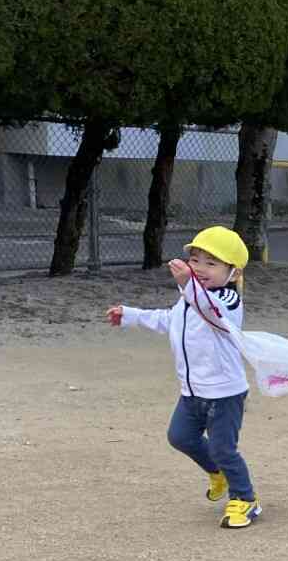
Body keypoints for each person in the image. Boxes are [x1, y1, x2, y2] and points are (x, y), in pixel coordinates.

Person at [106, 226, 263, 529]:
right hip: (192, 391)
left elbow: (211, 312)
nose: (200, 268)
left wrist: (189, 286)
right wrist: (131, 315)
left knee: (223, 448)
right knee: (179, 436)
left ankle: (245, 498)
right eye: (195, 260)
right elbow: (170, 320)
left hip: (224, 393)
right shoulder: (188, 299)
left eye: (211, 263)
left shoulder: (227, 300)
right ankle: (217, 472)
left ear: (233, 272)